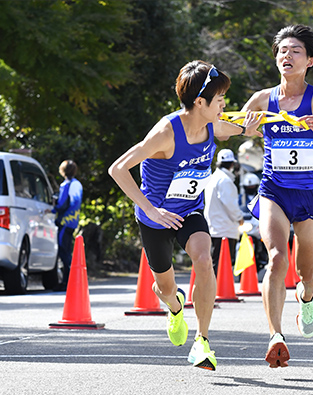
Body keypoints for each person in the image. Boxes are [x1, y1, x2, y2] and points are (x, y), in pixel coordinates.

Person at [108, 60, 263, 371]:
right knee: (163, 288)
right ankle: (174, 306)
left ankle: (202, 342)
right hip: (156, 218)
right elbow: (118, 169)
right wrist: (151, 209)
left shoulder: (212, 125)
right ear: (199, 102)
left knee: (204, 259)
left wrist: (249, 128)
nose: (223, 105)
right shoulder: (165, 133)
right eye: (219, 100)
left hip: (190, 211)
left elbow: (228, 132)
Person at [241, 24, 313, 368]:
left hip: (310, 194)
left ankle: (308, 298)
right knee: (276, 259)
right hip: (274, 190)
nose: (287, 55)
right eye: (282, 50)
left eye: (296, 51)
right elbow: (230, 129)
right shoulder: (261, 98)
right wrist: (246, 127)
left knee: (307, 270)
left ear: (309, 60)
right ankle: (276, 335)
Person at [204, 148, 244, 275]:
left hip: (213, 226)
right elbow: (230, 204)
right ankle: (219, 290)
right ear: (232, 164)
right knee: (223, 262)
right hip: (225, 228)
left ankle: (214, 290)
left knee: (215, 260)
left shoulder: (212, 178)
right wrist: (239, 218)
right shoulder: (225, 181)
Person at [52, 160, 83, 291]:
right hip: (73, 222)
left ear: (62, 171)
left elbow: (62, 204)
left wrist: (53, 209)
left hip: (64, 222)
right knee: (68, 251)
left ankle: (66, 282)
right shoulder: (78, 184)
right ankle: (71, 281)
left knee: (63, 251)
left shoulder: (66, 185)